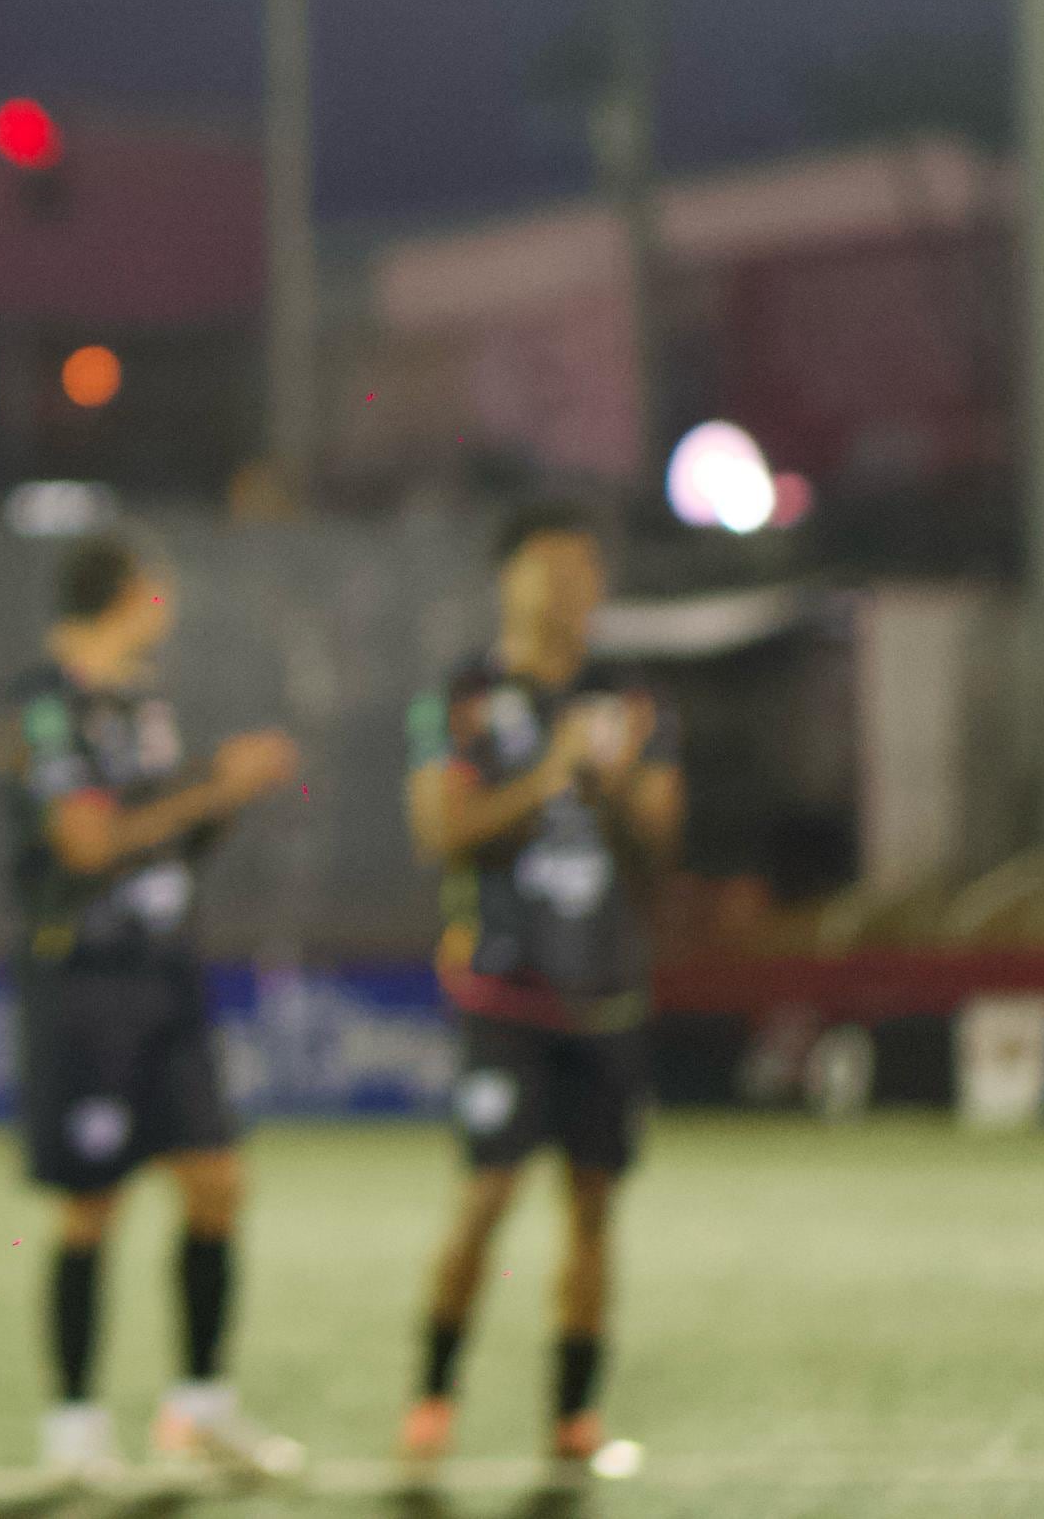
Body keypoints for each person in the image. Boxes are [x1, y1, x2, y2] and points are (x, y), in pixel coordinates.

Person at [0, 529, 306, 1480]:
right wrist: (214, 786)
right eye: (154, 585)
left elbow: (158, 841)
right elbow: (87, 845)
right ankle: (75, 1436)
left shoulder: (146, 704)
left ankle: (200, 1411)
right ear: (123, 594)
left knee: (216, 1182)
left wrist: (221, 798)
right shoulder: (44, 705)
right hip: (85, 978)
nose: (166, 600)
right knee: (93, 1205)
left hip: (167, 970)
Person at [398, 503, 682, 1481]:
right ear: (507, 578)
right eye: (549, 566)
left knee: (594, 1208)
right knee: (484, 1197)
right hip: (502, 994)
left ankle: (572, 1417)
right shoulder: (461, 698)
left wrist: (608, 782)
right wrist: (549, 773)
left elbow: (655, 849)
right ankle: (430, 1396)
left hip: (604, 995)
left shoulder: (630, 698)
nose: (570, 585)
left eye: (584, 566)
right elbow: (440, 830)